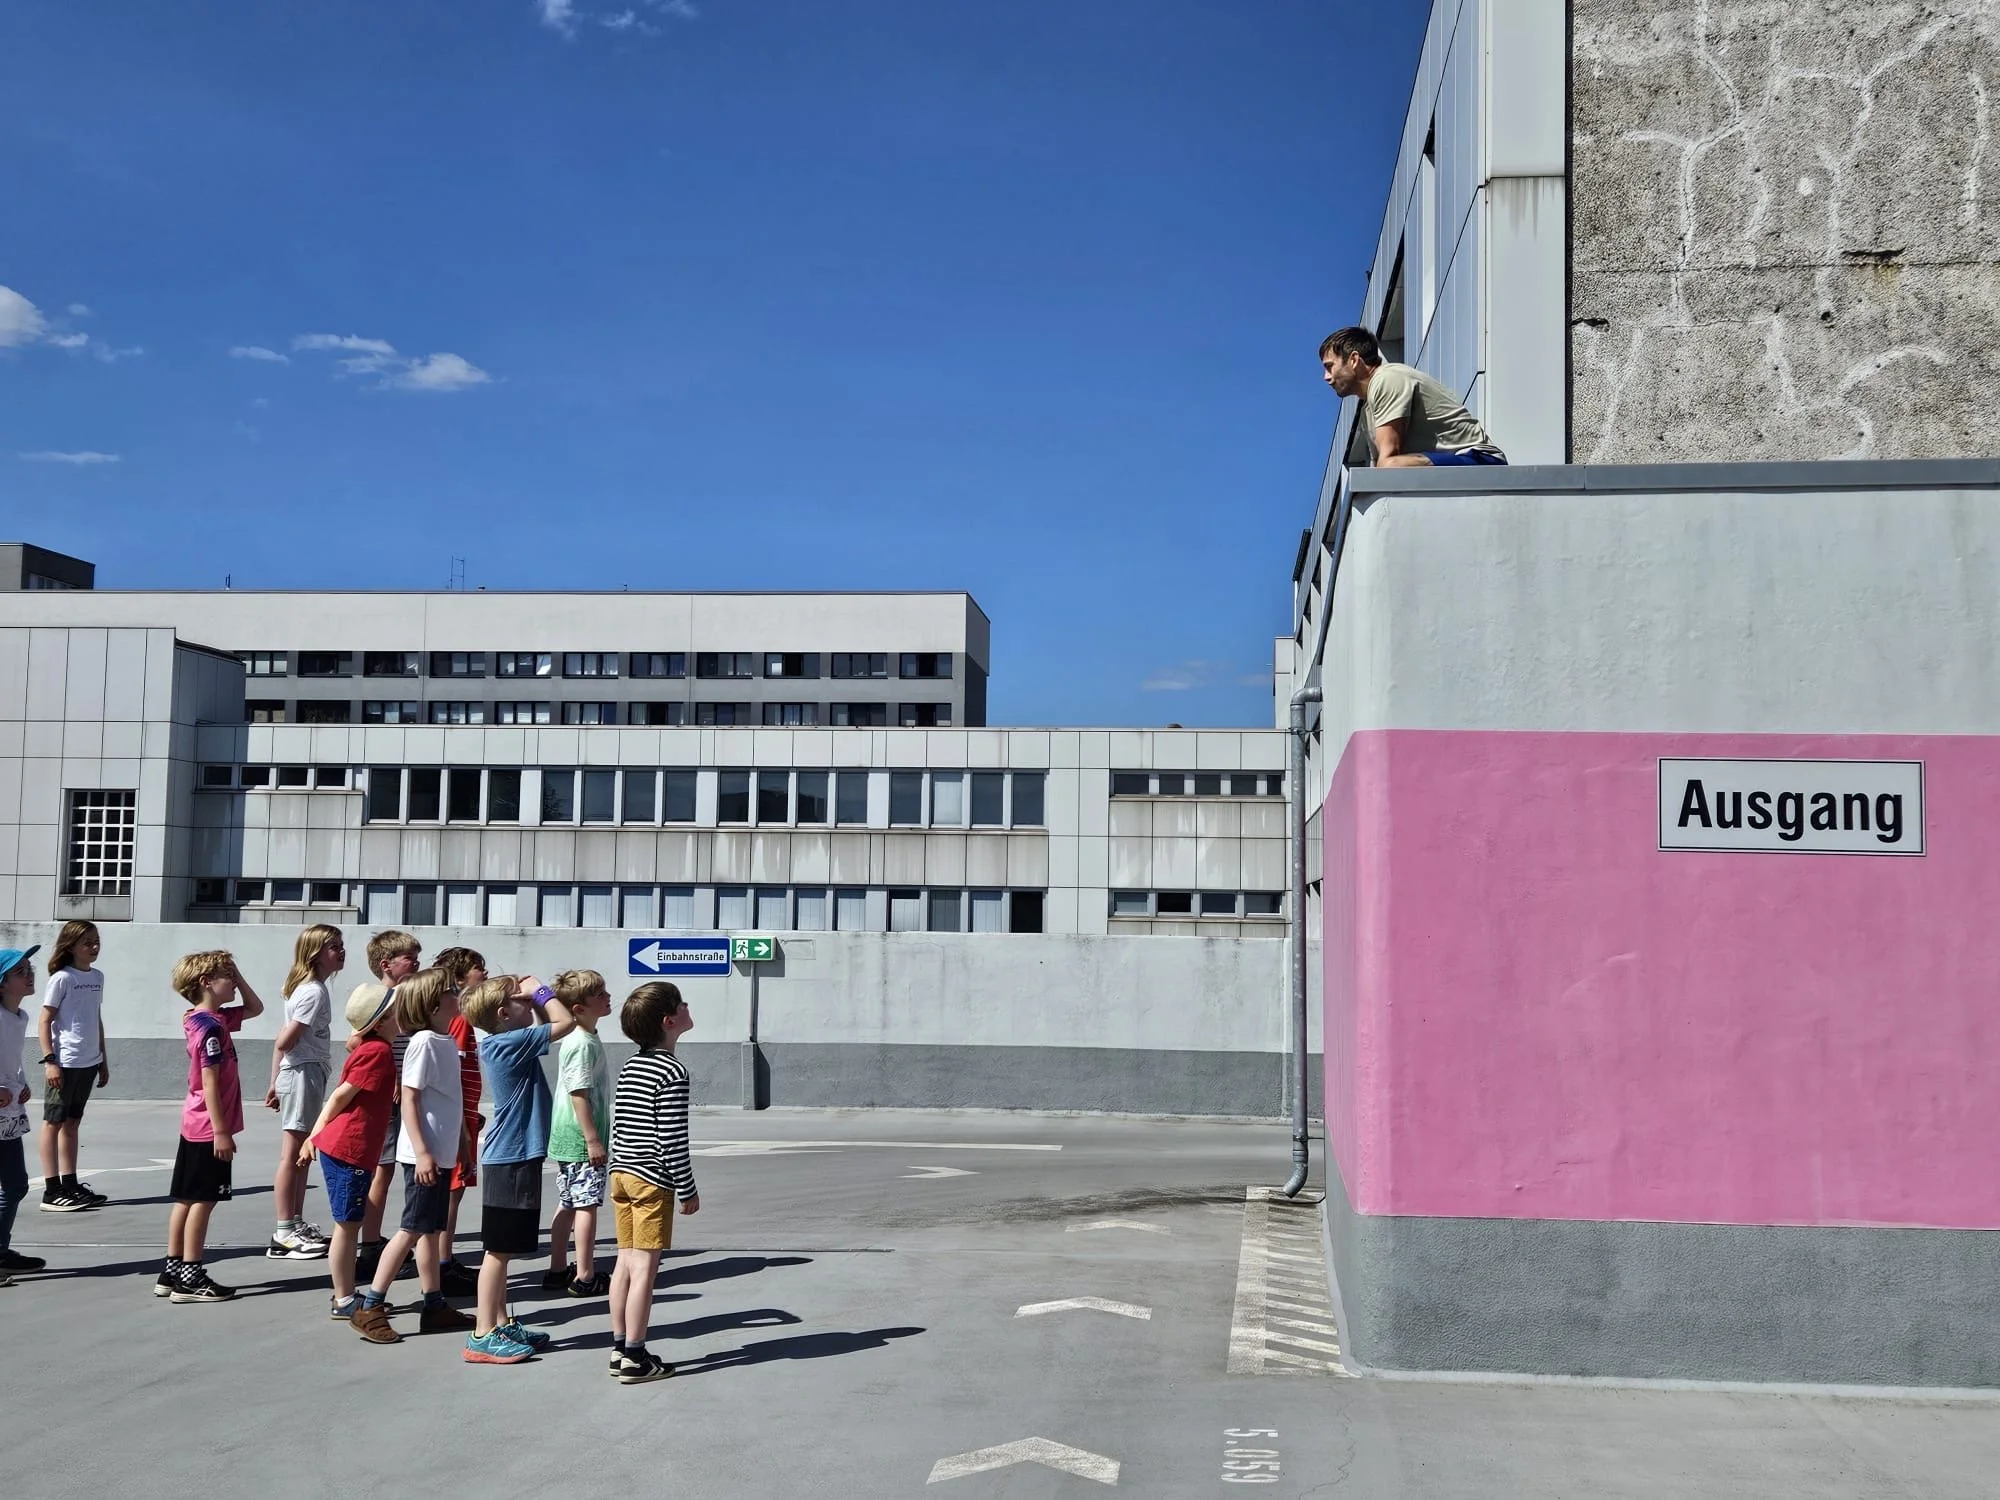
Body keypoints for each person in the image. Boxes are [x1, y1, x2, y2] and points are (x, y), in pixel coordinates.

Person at [349, 968, 475, 1344]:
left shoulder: (445, 1041)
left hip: (442, 1153)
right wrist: (422, 1153)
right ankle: (371, 1305)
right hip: (424, 1156)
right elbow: (410, 1099)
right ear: (435, 1003)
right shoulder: (422, 1042)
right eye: (452, 991)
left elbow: (452, 1100)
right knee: (412, 1229)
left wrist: (464, 1144)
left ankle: (433, 1305)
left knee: (431, 1232)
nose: (458, 996)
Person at [463, 971, 573, 1365]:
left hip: (516, 1156)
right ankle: (481, 1334)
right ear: (501, 1013)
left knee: (504, 1252)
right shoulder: (508, 1042)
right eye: (519, 1000)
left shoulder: (508, 1040)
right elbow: (564, 1022)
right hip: (508, 1158)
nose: (528, 1003)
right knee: (497, 1252)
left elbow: (548, 1025)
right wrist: (542, 990)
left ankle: (499, 1321)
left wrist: (533, 1001)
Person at [606, 981, 699, 1385]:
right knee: (645, 1266)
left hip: (621, 1173)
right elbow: (672, 1137)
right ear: (670, 1021)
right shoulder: (673, 1071)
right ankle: (636, 1355)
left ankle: (618, 1345)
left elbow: (623, 1125)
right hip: (651, 1179)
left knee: (624, 1261)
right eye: (681, 1004)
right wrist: (687, 1187)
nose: (687, 1006)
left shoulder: (632, 1065)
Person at [159, 950, 265, 1304]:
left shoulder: (207, 1018)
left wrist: (238, 973)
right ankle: (191, 1274)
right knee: (204, 1201)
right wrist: (221, 1132)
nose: (233, 981)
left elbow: (255, 1008)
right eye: (227, 975)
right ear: (206, 982)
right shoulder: (210, 1029)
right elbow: (210, 1081)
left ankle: (171, 1270)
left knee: (187, 1199)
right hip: (208, 1127)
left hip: (194, 1122)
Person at [297, 981, 399, 1333]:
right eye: (394, 1010)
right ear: (383, 1020)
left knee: (348, 1223)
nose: (400, 1015)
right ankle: (343, 1298)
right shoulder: (378, 1052)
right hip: (348, 1150)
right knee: (347, 1226)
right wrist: (315, 1133)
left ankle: (345, 1294)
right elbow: (342, 1095)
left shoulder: (373, 1046)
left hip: (351, 1150)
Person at [1318, 326, 1507, 468]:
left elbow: (1388, 461)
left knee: (1389, 466)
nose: (1326, 377)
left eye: (1329, 366)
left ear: (1353, 359)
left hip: (1481, 460)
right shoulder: (1367, 408)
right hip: (1454, 466)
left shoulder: (1387, 378)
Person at [265, 924, 342, 1260]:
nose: (341, 952)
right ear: (315, 954)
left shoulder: (308, 988)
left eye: (340, 945)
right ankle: (284, 1231)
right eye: (333, 947)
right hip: (304, 1071)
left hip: (304, 1071)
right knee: (294, 1152)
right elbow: (285, 1039)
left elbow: (282, 1041)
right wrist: (282, 1075)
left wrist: (274, 1080)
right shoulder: (313, 992)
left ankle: (294, 1223)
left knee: (301, 1154)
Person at [355, 929, 421, 1281]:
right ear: (387, 964)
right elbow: (357, 1041)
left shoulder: (403, 995)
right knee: (383, 1168)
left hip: (403, 1091)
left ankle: (373, 1238)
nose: (416, 962)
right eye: (409, 957)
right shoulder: (383, 999)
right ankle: (369, 1244)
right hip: (390, 1096)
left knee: (389, 1167)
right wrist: (392, 1076)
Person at [544, 970, 613, 1297]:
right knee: (586, 1205)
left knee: (569, 1202)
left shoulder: (581, 1037)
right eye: (599, 995)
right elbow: (579, 1092)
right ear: (578, 1008)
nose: (607, 997)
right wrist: (593, 1139)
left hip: (567, 1136)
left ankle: (558, 1267)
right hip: (579, 1137)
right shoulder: (582, 1043)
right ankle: (585, 1275)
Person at [37, 920, 109, 1213]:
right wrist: (50, 1061)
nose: (93, 947)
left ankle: (70, 1183)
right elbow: (45, 1020)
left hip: (88, 1062)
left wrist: (103, 1059)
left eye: (96, 942)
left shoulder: (98, 977)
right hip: (64, 1062)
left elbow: (96, 1018)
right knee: (53, 1122)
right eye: (87, 942)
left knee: (72, 1122)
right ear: (71, 946)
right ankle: (51, 1190)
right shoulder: (62, 978)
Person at [432, 945, 487, 1296]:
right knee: (450, 1193)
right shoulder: (459, 1019)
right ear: (460, 976)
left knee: (453, 1192)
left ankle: (444, 1257)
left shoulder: (457, 1016)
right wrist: (465, 1115)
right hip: (457, 1120)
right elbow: (451, 1071)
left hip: (464, 1114)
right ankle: (442, 1262)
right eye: (478, 968)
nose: (484, 973)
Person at [0, 946, 45, 1284]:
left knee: (15, 1185)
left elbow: (10, 1060)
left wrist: (23, 1083)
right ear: (2, 982)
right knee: (13, 1184)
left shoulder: (19, 1016)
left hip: (9, 1111)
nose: (30, 976)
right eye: (20, 972)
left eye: (30, 969)